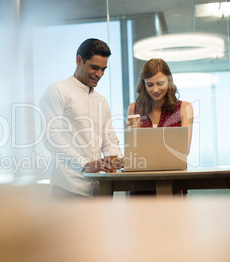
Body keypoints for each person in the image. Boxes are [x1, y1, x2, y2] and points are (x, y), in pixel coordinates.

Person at [40, 38, 123, 200]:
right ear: (79, 60)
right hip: (68, 188)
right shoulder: (57, 91)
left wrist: (116, 158)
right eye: (94, 67)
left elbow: (108, 139)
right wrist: (84, 164)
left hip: (101, 188)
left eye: (103, 69)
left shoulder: (102, 101)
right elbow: (52, 137)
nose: (99, 74)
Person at [126, 58, 193, 195]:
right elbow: (135, 153)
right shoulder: (133, 108)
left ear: (169, 81)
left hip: (174, 182)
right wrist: (131, 138)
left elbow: (184, 150)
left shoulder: (184, 107)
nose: (155, 89)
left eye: (160, 83)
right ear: (143, 85)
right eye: (150, 85)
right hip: (141, 184)